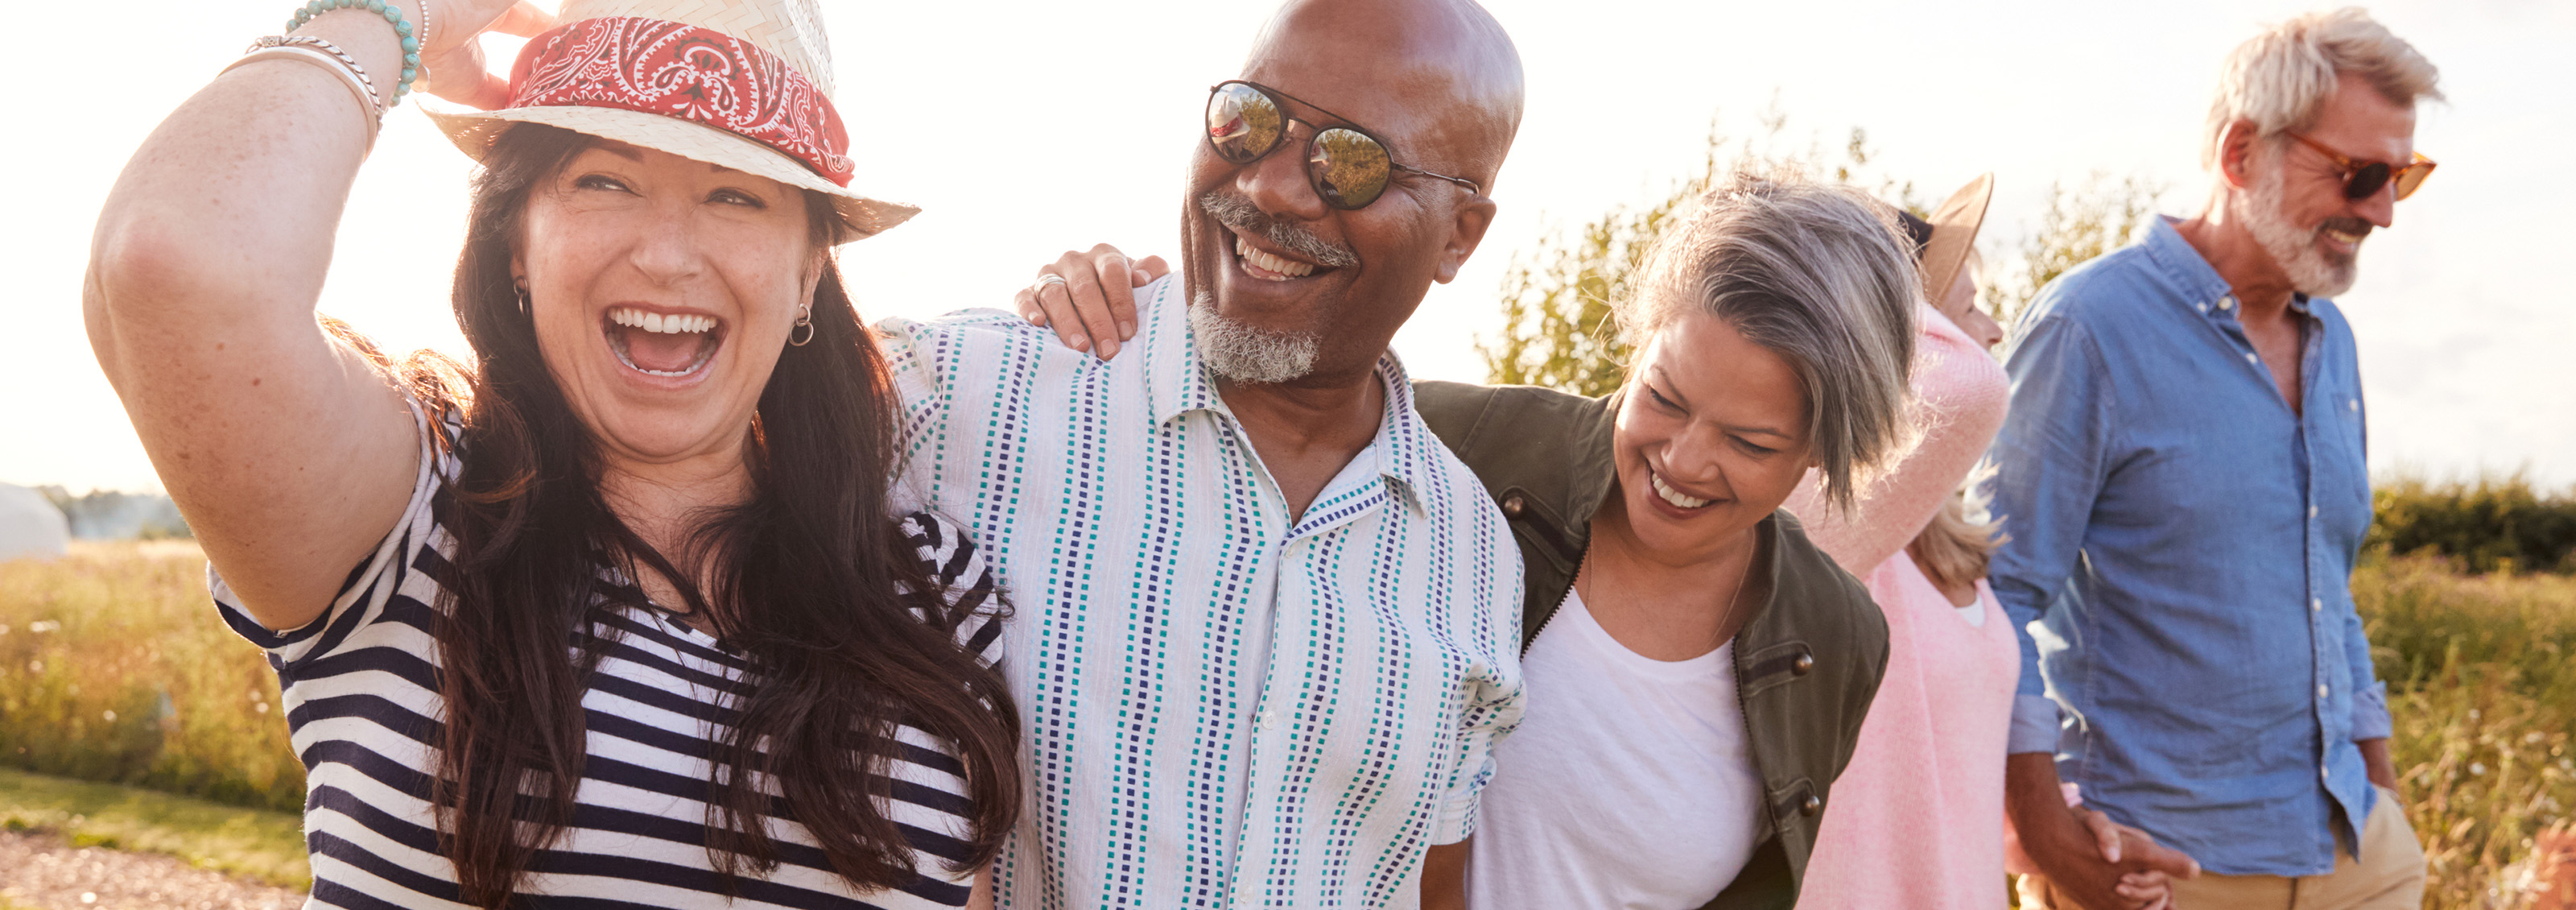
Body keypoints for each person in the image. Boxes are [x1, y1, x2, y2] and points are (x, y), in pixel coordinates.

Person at [83, 1, 1018, 907]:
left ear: (808, 269)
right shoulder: (415, 514)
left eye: (735, 194)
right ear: (517, 240)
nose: (667, 254)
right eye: (603, 179)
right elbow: (180, 262)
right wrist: (397, 15)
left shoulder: (926, 589)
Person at [1030, 164, 1920, 908]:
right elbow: (1195, 435)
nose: (1682, 460)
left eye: (1749, 442)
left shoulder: (1835, 636)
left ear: (1827, 446)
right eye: (1664, 398)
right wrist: (1107, 297)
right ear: (1638, 346)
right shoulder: (1446, 448)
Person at [873, 2, 1529, 907]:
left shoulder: (1474, 556)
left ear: (1459, 234)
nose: (1270, 189)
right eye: (1249, 119)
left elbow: (1427, 883)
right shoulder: (955, 400)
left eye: (1349, 160)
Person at [1990, 10, 2442, 910]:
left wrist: (2381, 789)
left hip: (2354, 852)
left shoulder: (2333, 342)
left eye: (2401, 177)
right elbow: (1991, 592)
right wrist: (2044, 839)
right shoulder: (2088, 328)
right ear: (2240, 154)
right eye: (2358, 174)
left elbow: (2327, 587)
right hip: (2165, 866)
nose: (2381, 212)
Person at [1792, 177, 2187, 910]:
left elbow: (1950, 760)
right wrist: (1860, 299)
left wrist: (2070, 835)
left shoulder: (1942, 543)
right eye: (1969, 307)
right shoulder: (1830, 530)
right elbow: (1971, 390)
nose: (1997, 332)